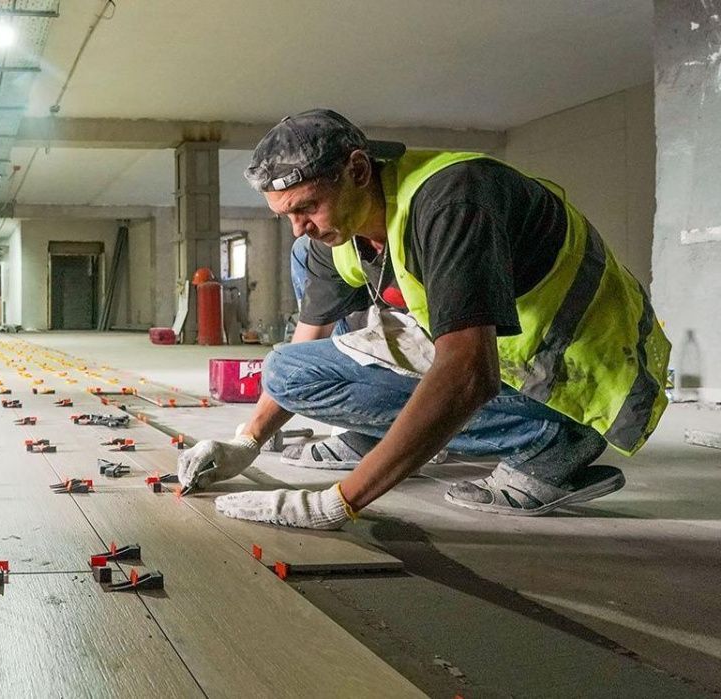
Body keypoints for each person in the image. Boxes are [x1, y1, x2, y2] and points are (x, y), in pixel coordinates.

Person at [177, 109, 670, 530]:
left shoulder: (453, 201)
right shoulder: (337, 230)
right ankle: (380, 433)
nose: (299, 226)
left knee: (293, 367)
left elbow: (469, 375)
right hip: (515, 358)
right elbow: (306, 348)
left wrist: (337, 501)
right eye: (285, 214)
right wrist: (247, 442)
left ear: (358, 170)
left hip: (578, 382)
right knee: (293, 362)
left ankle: (550, 445)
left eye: (307, 207)